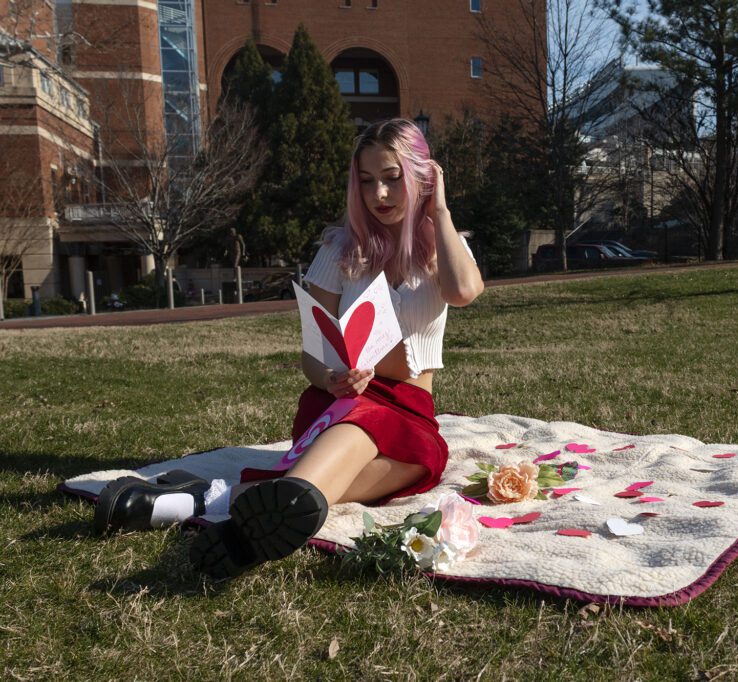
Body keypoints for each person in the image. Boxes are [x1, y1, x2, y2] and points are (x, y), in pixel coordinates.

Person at [93, 118, 485, 580]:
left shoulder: (444, 247)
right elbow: (313, 352)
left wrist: (438, 210)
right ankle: (253, 528)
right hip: (346, 401)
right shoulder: (341, 248)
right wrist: (331, 379)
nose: (378, 194)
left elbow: (462, 291)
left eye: (392, 178)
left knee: (422, 464)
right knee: (363, 426)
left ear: (421, 176)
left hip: (411, 409)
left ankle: (206, 499)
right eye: (365, 181)